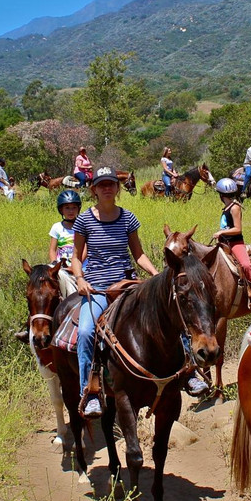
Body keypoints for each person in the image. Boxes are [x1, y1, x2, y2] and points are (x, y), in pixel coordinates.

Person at [70, 166, 159, 418]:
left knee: (167, 310)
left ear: (118, 188)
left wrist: (154, 275)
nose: (107, 188)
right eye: (101, 185)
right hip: (97, 287)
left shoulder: (128, 218)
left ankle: (186, 373)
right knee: (87, 331)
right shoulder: (84, 220)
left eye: (111, 184)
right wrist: (79, 278)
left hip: (127, 284)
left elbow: (138, 253)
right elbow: (77, 257)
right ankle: (89, 393)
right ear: (93, 189)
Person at [211, 178, 251, 310]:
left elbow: (238, 229)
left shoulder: (235, 208)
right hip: (224, 242)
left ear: (221, 195)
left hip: (235, 242)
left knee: (245, 264)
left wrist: (220, 232)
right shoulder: (227, 207)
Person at [50, 189, 82, 297]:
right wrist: (54, 263)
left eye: (74, 208)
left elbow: (85, 249)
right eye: (67, 208)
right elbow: (52, 250)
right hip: (61, 266)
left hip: (80, 265)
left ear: (78, 209)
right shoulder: (57, 227)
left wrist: (75, 265)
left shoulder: (82, 226)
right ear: (61, 210)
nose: (71, 211)